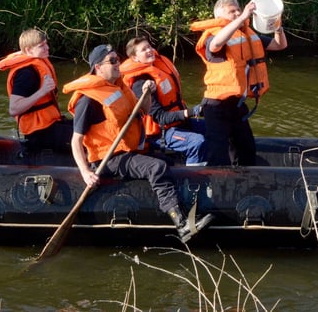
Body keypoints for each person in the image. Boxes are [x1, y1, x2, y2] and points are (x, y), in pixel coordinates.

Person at [63, 44, 213, 243]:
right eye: (113, 61)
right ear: (98, 67)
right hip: (108, 158)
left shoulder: (118, 87)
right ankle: (181, 224)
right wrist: (85, 172)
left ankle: (188, 207)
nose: (118, 64)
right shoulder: (88, 100)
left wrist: (147, 92)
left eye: (118, 59)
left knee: (167, 160)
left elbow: (143, 110)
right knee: (156, 167)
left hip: (130, 149)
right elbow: (76, 141)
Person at [190, 0, 288, 166]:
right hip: (216, 106)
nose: (237, 13)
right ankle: (215, 186)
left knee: (247, 150)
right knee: (218, 154)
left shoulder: (247, 35)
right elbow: (216, 45)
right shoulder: (212, 36)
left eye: (238, 10)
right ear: (219, 17)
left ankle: (244, 184)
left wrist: (277, 27)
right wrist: (242, 18)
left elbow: (280, 45)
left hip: (237, 105)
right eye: (232, 11)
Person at [120, 36, 207, 166]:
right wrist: (191, 112)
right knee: (197, 142)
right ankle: (194, 182)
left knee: (214, 127)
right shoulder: (141, 83)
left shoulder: (159, 66)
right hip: (159, 132)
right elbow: (161, 118)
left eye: (149, 47)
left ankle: (217, 167)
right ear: (135, 58)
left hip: (177, 122)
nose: (149, 50)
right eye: (143, 50)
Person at [0, 28, 72, 155]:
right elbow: (14, 109)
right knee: (83, 137)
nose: (47, 47)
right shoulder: (26, 73)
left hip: (51, 124)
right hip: (39, 133)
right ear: (28, 50)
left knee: (87, 126)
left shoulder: (39, 63)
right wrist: (42, 91)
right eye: (42, 46)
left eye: (46, 43)